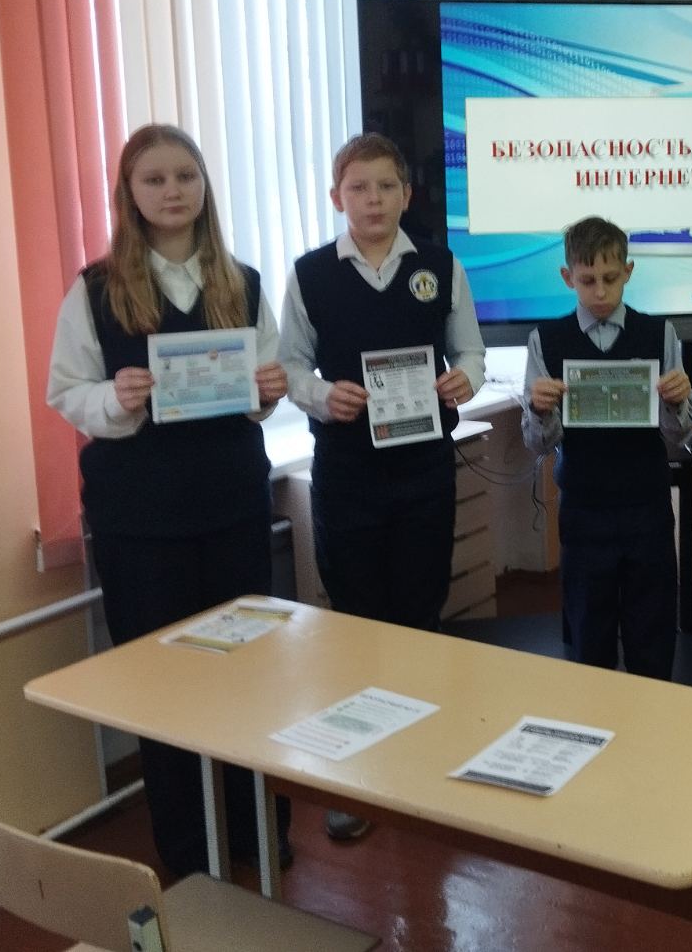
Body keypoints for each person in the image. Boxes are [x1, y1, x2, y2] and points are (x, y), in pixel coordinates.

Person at [47, 122, 291, 876]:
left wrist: (268, 391)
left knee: (247, 673)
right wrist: (114, 398)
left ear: (204, 185)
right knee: (161, 685)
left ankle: (257, 831)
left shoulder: (243, 282)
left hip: (232, 508)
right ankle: (186, 855)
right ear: (129, 192)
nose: (173, 191)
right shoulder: (94, 290)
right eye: (154, 178)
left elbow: (264, 388)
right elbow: (66, 392)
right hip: (141, 523)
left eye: (185, 175)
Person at [278, 132, 485, 840]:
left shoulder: (439, 265)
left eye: (386, 186)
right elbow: (289, 366)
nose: (373, 199)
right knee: (356, 625)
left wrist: (465, 379)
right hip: (347, 475)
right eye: (358, 188)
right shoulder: (310, 274)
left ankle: (422, 765)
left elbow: (470, 349)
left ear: (406, 193)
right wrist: (320, 395)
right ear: (337, 198)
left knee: (421, 615)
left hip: (424, 471)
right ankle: (361, 782)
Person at [521, 217, 692, 680]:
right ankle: (595, 722)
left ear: (629, 272)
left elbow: (679, 437)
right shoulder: (546, 340)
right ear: (567, 277)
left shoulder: (660, 334)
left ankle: (651, 720)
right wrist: (539, 410)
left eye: (610, 278)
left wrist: (676, 403)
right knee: (588, 641)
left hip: (647, 508)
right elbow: (538, 443)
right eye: (587, 280)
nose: (600, 291)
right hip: (584, 512)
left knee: (652, 638)